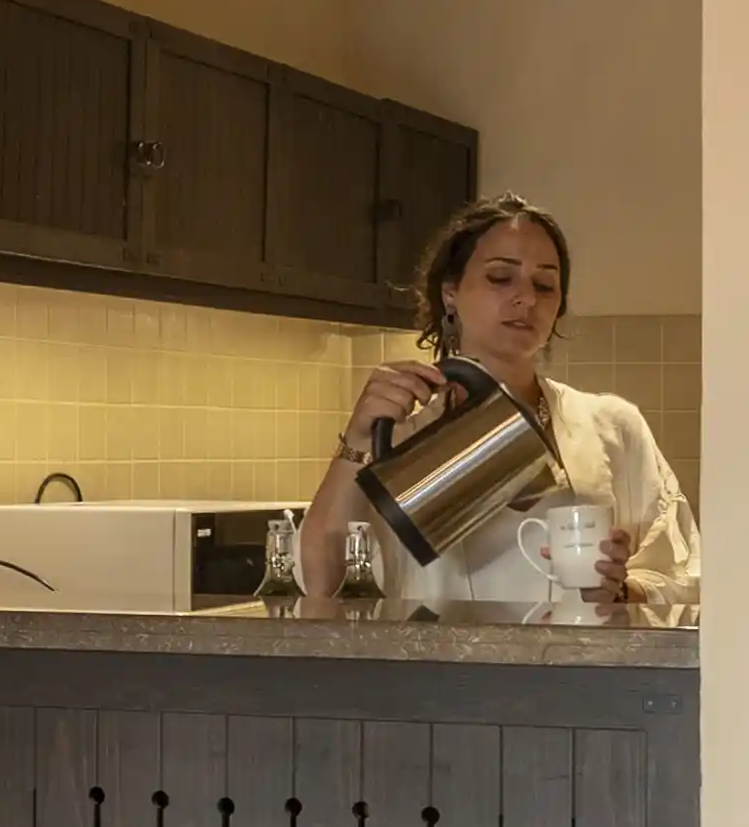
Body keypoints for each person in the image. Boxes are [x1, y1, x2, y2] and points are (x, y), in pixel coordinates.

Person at [297, 194, 701, 612]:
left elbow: (681, 575)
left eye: (544, 285)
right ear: (450, 292)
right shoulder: (399, 436)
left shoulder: (612, 426)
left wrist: (621, 589)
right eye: (500, 278)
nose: (526, 298)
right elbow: (322, 583)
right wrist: (358, 439)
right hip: (434, 672)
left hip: (576, 672)